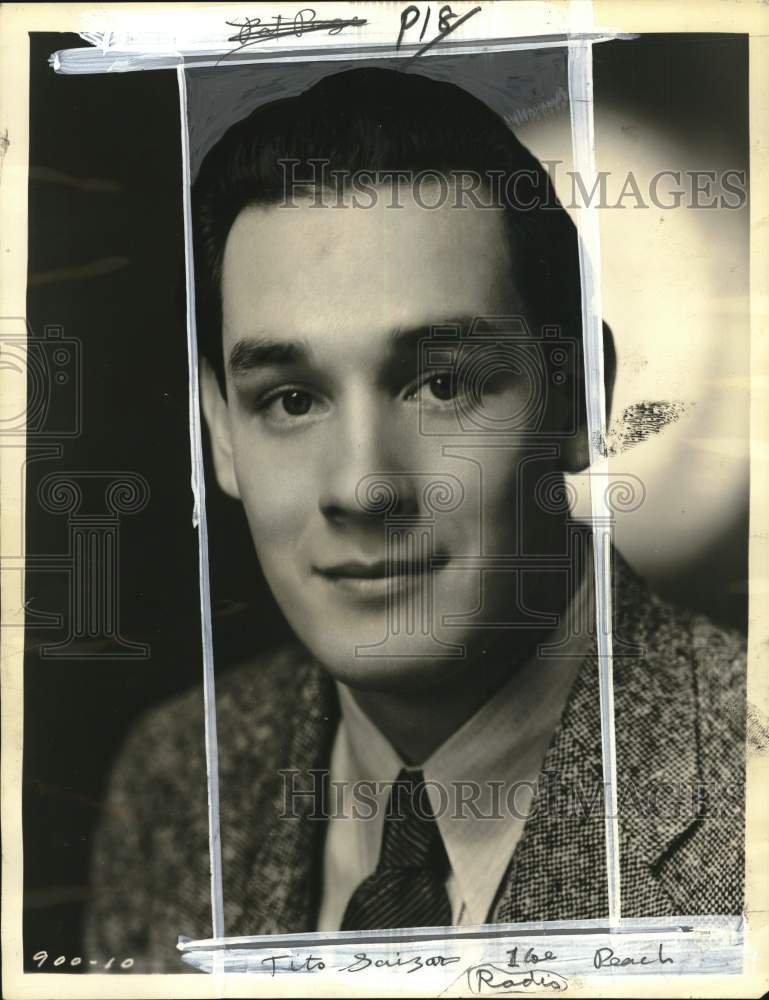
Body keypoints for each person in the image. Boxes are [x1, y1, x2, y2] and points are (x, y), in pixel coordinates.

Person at [85, 67, 746, 971]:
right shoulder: (171, 781)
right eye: (289, 399)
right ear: (221, 434)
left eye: (440, 384)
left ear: (579, 399)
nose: (362, 487)